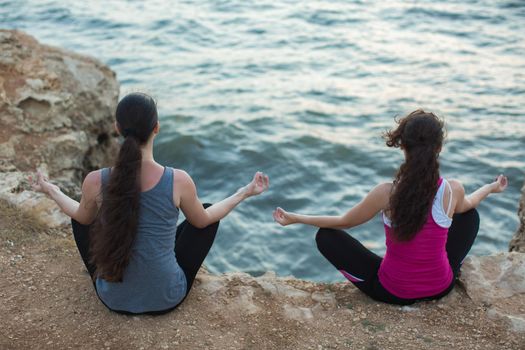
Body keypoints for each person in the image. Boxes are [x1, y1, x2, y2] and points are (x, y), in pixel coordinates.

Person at [30, 92, 269, 314]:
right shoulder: (178, 180)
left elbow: (81, 218)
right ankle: (157, 270)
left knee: (82, 216)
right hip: (166, 298)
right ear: (157, 128)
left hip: (113, 298)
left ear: (117, 128)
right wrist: (244, 192)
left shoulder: (96, 180)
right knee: (205, 214)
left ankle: (112, 277)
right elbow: (203, 221)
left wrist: (52, 190)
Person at [273, 110, 507, 305]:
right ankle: (435, 271)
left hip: (394, 293)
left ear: (403, 146)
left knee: (326, 237)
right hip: (440, 288)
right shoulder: (452, 189)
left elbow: (344, 221)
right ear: (438, 148)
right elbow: (471, 203)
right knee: (469, 215)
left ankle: (401, 272)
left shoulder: (386, 193)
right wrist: (491, 187)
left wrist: (296, 217)